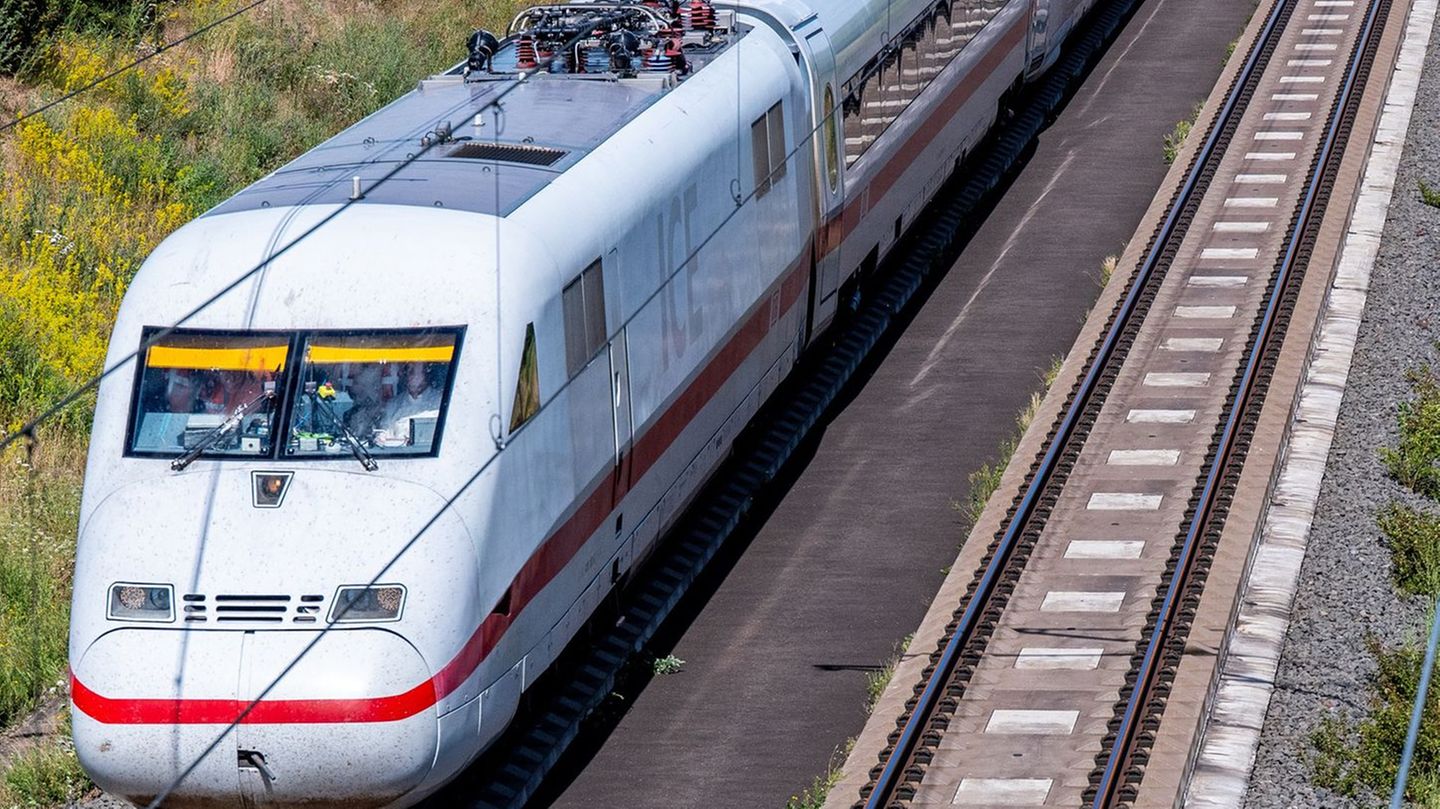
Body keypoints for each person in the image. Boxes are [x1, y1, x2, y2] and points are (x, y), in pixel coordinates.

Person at [381, 362, 442, 444]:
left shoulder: (440, 402)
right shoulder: (393, 405)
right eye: (407, 370)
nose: (409, 376)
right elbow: (383, 434)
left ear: (426, 373)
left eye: (413, 371)